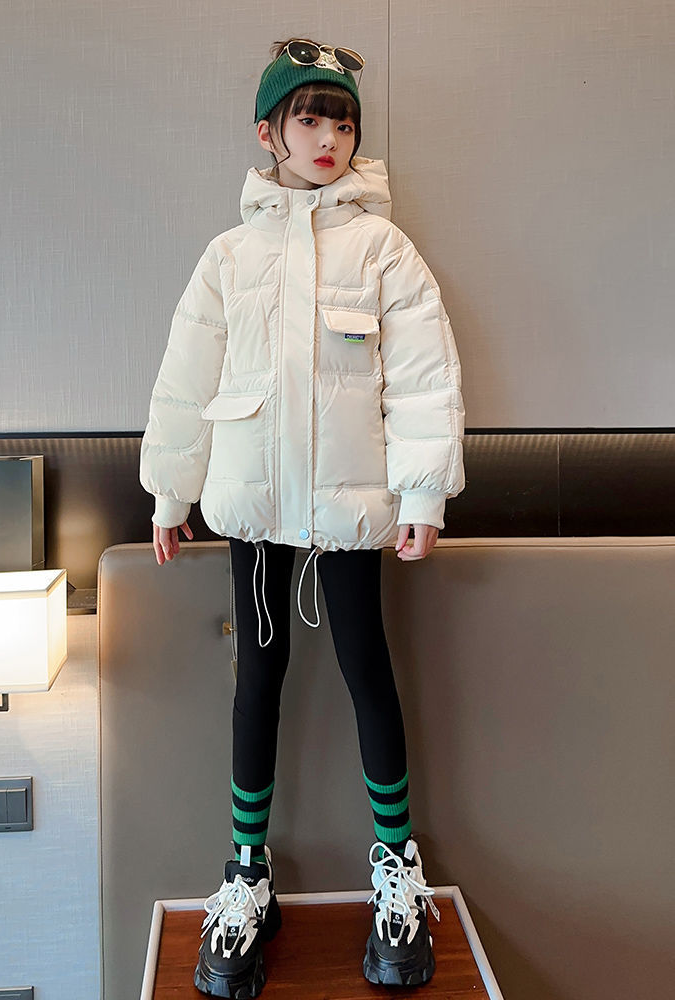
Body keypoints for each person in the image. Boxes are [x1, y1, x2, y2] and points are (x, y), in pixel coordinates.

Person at [139, 36, 465, 998]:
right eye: (310, 118)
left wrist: (423, 495)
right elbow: (186, 377)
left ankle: (396, 865)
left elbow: (422, 378)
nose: (328, 138)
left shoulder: (384, 249)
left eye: (344, 122)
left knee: (369, 671)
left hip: (351, 508)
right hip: (252, 505)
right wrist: (169, 492)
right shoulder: (229, 255)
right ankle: (247, 875)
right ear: (268, 131)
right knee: (259, 679)